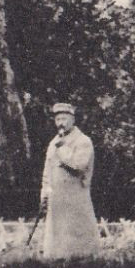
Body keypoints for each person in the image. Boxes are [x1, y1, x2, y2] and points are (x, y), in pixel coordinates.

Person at [39, 102, 100, 259]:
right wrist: (44, 194)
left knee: (78, 239)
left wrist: (62, 148)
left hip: (75, 197)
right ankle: (57, 266)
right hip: (56, 199)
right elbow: (47, 171)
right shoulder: (53, 143)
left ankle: (81, 265)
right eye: (58, 119)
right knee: (56, 241)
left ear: (73, 120)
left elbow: (79, 165)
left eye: (64, 119)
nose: (61, 123)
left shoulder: (83, 141)